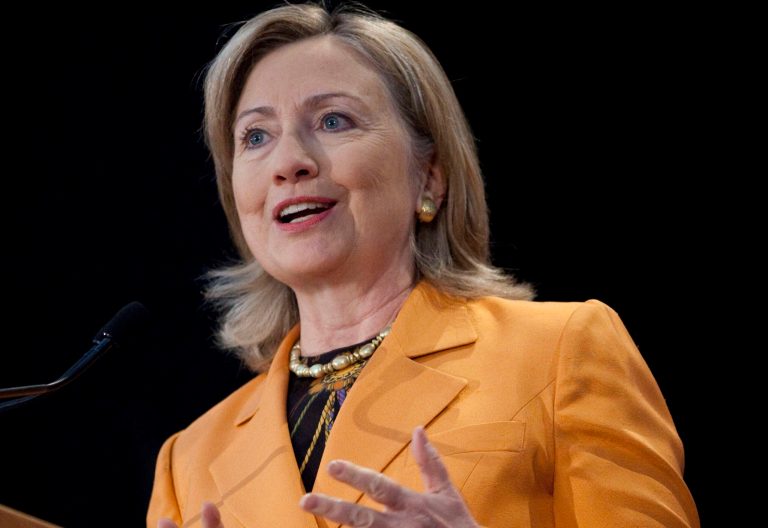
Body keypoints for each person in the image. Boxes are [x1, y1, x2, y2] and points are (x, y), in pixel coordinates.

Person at [147, 3, 699, 527]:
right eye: (256, 136)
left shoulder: (559, 352)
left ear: (429, 176)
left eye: (333, 121)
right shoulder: (190, 458)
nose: (289, 161)